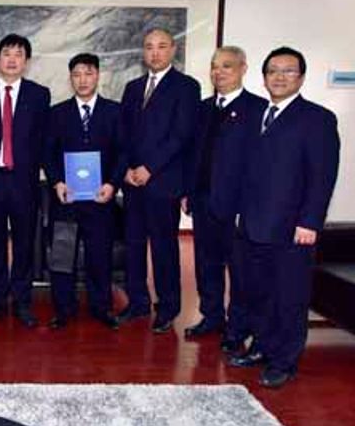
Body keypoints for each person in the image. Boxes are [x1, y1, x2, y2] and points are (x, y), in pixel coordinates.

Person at [229, 47, 339, 389]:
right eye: (273, 71)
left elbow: (322, 177)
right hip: (252, 225)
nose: (279, 77)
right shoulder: (257, 115)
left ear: (301, 78)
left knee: (289, 297)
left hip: (292, 229)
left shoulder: (317, 119)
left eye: (288, 71)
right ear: (263, 78)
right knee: (259, 293)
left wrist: (310, 222)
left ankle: (285, 361)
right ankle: (262, 346)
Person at [182, 46, 266, 353]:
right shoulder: (203, 108)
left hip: (237, 206)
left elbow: (261, 164)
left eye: (227, 66)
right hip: (203, 200)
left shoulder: (258, 109)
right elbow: (194, 155)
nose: (219, 72)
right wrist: (188, 192)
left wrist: (250, 205)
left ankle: (238, 327)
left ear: (243, 68)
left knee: (240, 269)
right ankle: (212, 316)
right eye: (215, 66)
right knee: (206, 264)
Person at [119, 28, 200, 333]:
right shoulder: (132, 87)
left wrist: (149, 168)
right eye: (149, 47)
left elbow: (181, 134)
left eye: (162, 46)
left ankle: (168, 307)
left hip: (163, 181)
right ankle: (138, 302)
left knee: (163, 247)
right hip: (132, 182)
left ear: (173, 50)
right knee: (134, 245)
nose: (155, 52)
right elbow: (123, 133)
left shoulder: (186, 86)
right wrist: (127, 169)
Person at [0, 33, 51, 328]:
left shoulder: (39, 95)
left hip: (24, 182)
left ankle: (22, 301)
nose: (12, 59)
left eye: (19, 54)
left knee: (24, 244)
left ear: (26, 61)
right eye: (7, 53)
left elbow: (44, 141)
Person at [44, 52, 124, 330]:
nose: (83, 80)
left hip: (101, 198)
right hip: (66, 198)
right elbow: (47, 153)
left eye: (88, 73)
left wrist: (112, 183)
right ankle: (63, 309)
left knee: (99, 255)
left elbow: (122, 153)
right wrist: (57, 181)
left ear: (98, 75)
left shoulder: (114, 112)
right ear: (71, 78)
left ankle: (101, 307)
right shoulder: (57, 113)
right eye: (77, 74)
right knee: (63, 256)